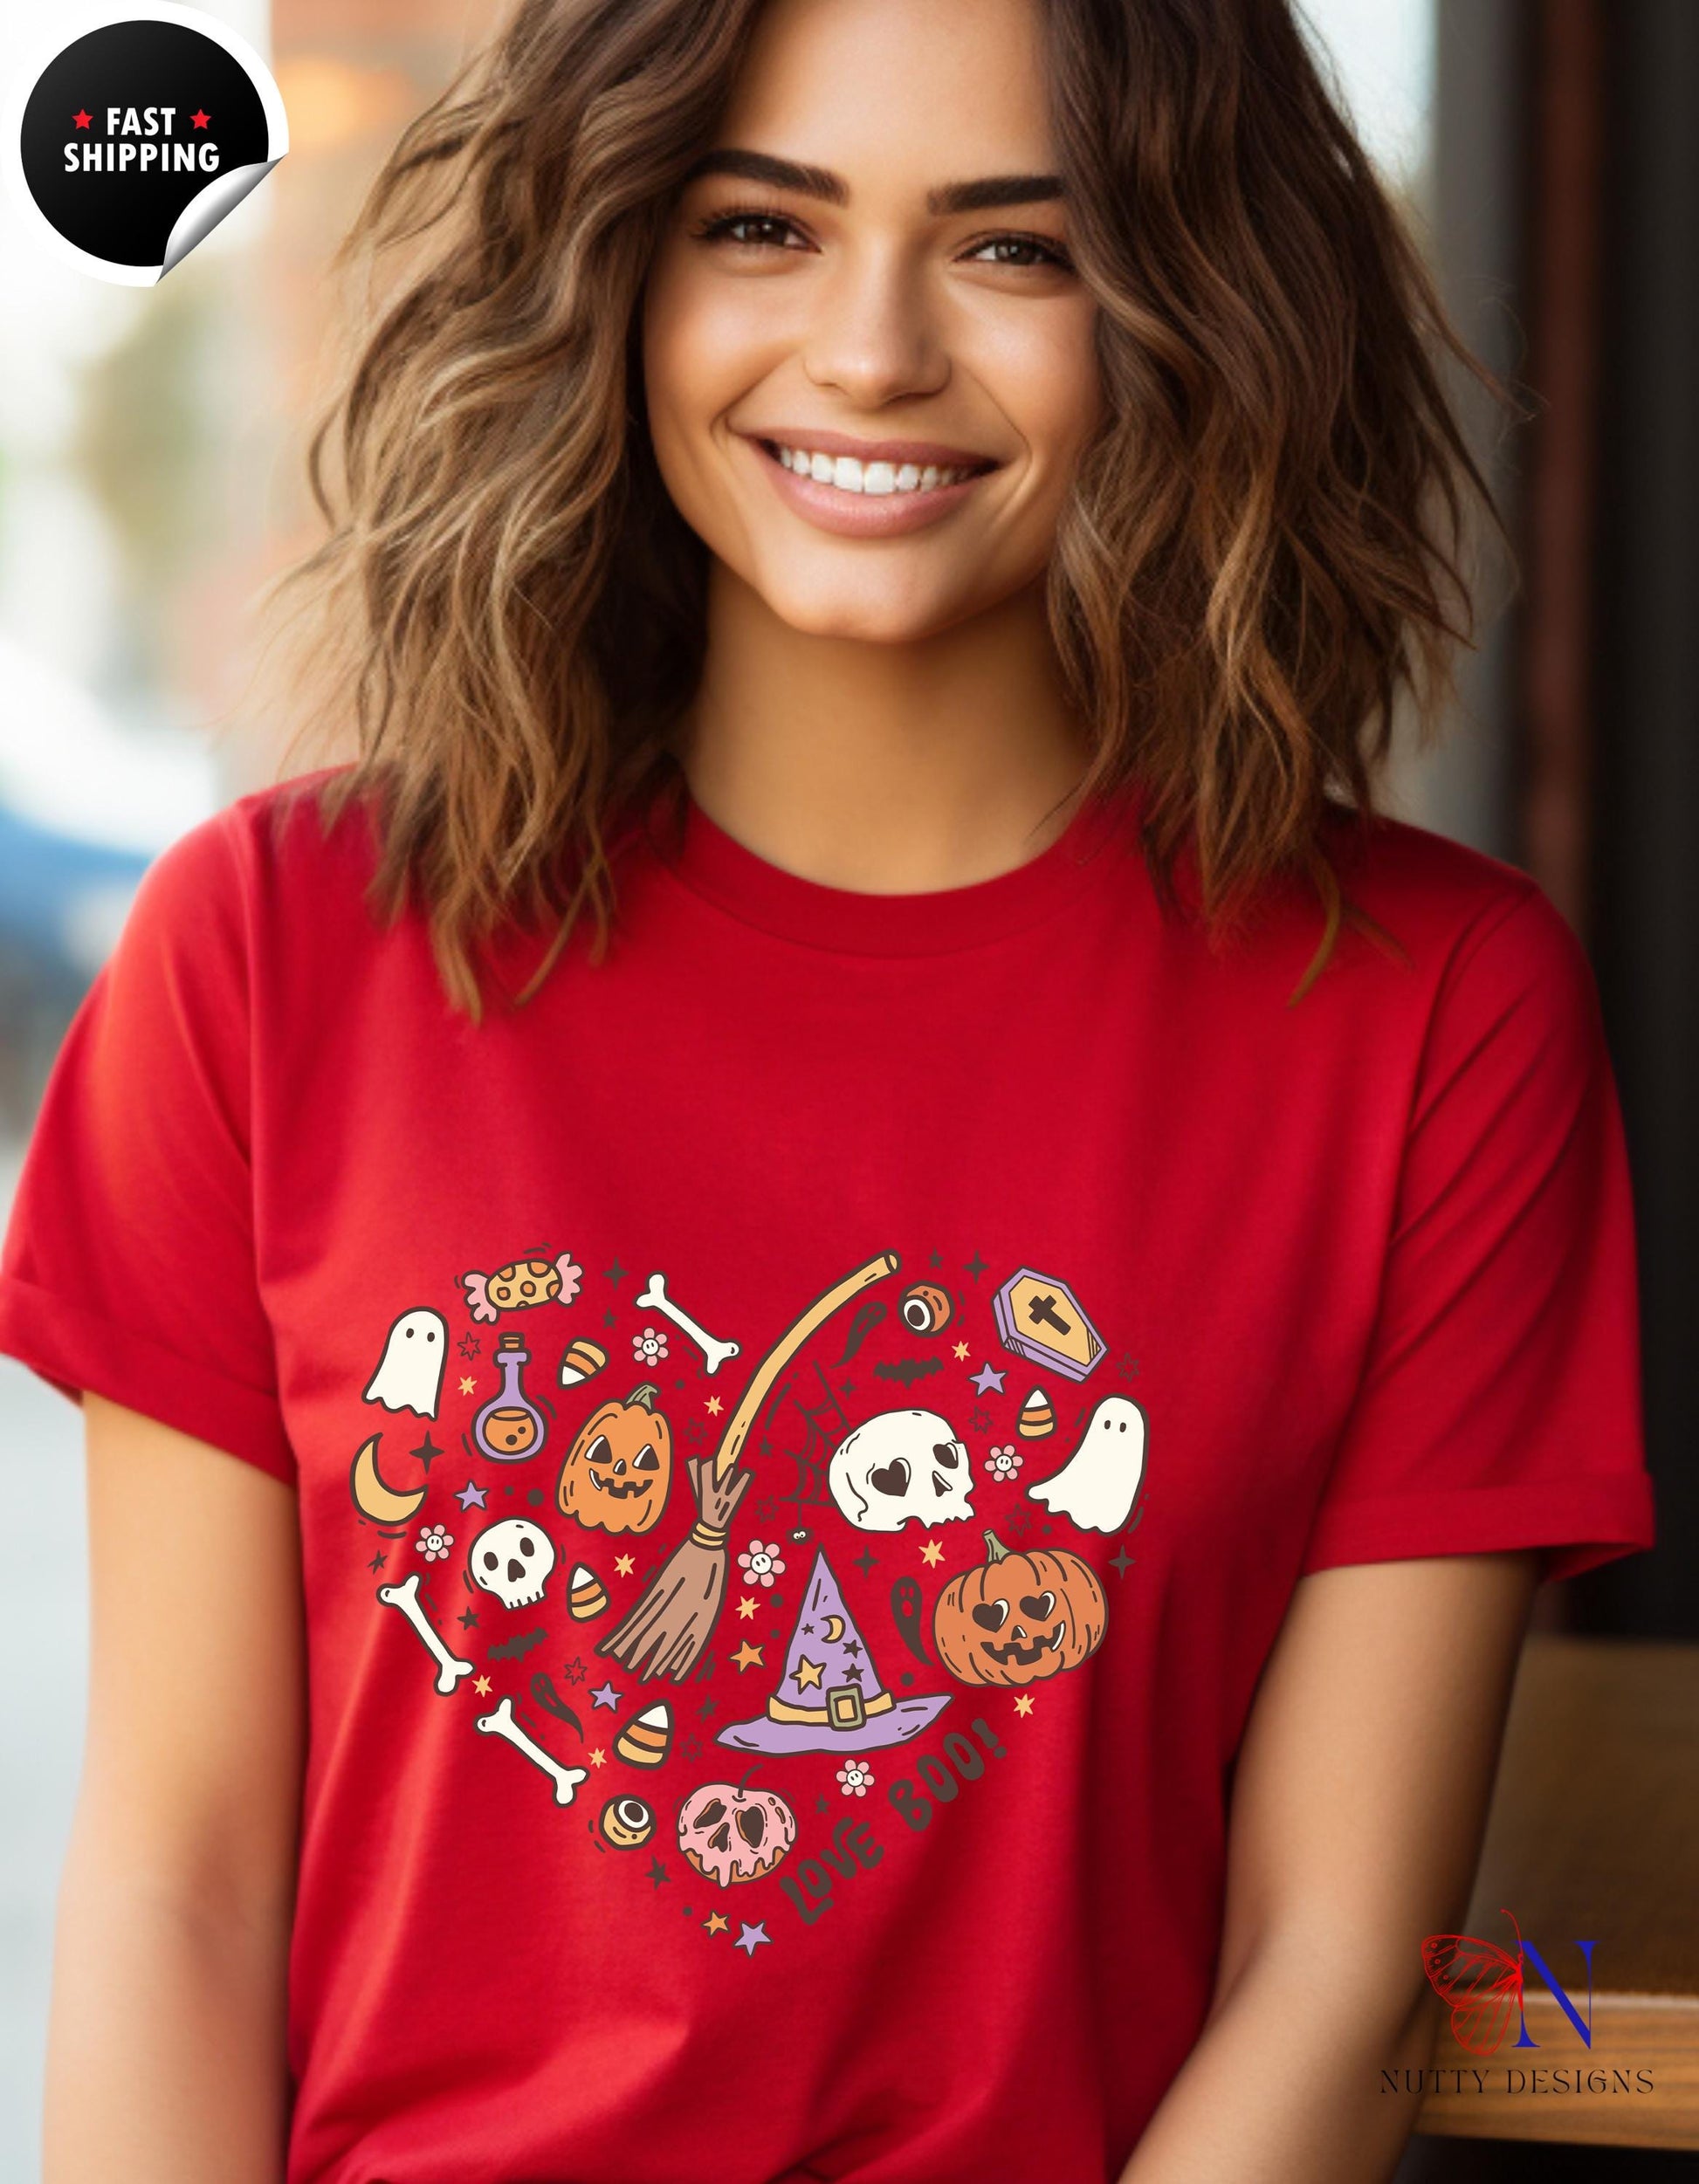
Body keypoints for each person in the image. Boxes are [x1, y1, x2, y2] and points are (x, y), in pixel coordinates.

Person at [0, 0, 1656, 2178]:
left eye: (1017, 249)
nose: (870, 350)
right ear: (613, 269)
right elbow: (177, 1895)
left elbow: (1333, 1974)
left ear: (1198, 309)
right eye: (761, 226)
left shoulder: (1434, 1014)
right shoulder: (267, 957)